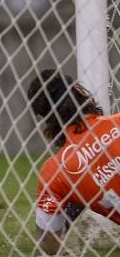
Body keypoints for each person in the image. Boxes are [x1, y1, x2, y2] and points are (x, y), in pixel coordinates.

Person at [28, 70, 120, 255]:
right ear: (79, 90)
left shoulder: (54, 173)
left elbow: (48, 244)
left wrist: (74, 200)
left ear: (47, 119)